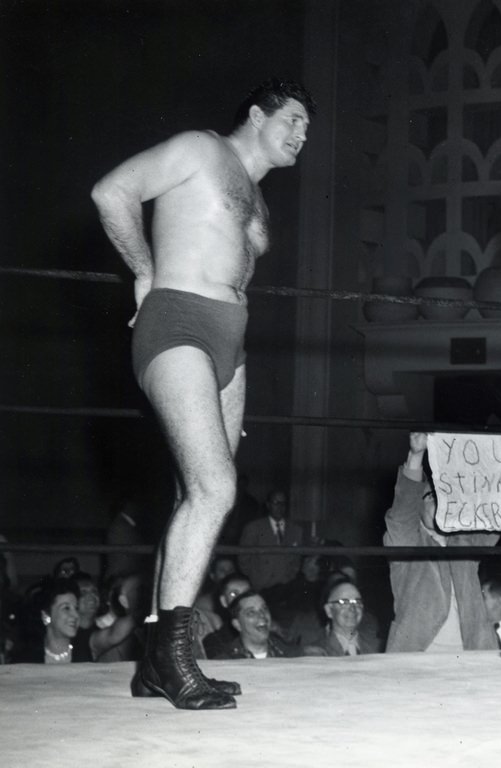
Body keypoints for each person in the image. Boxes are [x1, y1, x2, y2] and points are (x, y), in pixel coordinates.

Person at [90, 77, 315, 709]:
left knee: (202, 491)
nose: (301, 135)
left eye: (307, 128)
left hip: (230, 343)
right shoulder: (199, 150)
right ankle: (177, 659)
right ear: (255, 114)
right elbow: (113, 193)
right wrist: (143, 272)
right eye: (293, 119)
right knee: (214, 489)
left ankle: (154, 658)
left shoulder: (258, 198)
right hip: (178, 323)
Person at [383, 432, 499, 652]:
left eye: (446, 497)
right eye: (431, 497)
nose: (441, 502)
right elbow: (402, 511)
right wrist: (416, 456)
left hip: (472, 656)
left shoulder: (465, 540)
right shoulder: (409, 541)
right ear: (418, 508)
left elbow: (496, 516)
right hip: (419, 655)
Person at [238, 488, 304, 592]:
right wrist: (255, 576)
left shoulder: (296, 530)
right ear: (268, 505)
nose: (280, 507)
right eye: (275, 502)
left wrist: (290, 575)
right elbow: (243, 558)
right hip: (261, 586)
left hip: (286, 585)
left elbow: (297, 559)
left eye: (283, 503)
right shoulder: (253, 528)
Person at [209, 590, 302, 660]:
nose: (262, 615)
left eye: (264, 609)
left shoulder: (292, 656)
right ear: (237, 624)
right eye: (251, 612)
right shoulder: (224, 663)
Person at [306, 578, 382, 656]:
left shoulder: (379, 648)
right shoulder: (316, 652)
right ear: (329, 610)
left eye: (358, 602)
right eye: (344, 602)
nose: (352, 608)